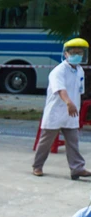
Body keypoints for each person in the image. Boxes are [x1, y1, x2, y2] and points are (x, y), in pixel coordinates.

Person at [33, 38, 89, 180]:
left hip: (72, 112)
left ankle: (77, 168)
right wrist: (68, 102)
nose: (77, 56)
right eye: (74, 53)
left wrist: (74, 104)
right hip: (56, 111)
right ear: (66, 54)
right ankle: (37, 166)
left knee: (73, 141)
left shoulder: (80, 70)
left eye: (80, 53)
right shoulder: (58, 71)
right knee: (46, 141)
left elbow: (79, 90)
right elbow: (60, 89)